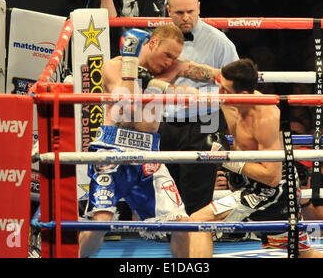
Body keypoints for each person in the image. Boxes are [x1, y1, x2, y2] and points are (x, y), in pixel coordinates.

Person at [78, 24, 222, 258]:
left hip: (148, 155)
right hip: (112, 151)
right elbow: (125, 101)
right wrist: (131, 62)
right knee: (100, 223)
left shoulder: (167, 70)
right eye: (167, 55)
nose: (169, 62)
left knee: (182, 224)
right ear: (152, 42)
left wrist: (230, 78)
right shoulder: (114, 65)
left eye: (174, 57)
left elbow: (200, 71)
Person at [188, 58, 323, 258]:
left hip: (273, 190)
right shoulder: (232, 91)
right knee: (303, 254)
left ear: (244, 95)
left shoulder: (265, 117)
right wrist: (168, 74)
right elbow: (201, 73)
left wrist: (226, 159)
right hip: (252, 184)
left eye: (225, 91)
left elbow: (271, 177)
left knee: (199, 221)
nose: (219, 94)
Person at [158, 0, 239, 217]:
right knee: (167, 185)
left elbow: (234, 89)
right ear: (168, 10)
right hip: (165, 119)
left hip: (206, 119)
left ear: (199, 8)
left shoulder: (219, 42)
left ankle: (197, 236)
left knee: (199, 188)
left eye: (191, 12)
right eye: (180, 12)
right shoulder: (155, 40)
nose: (186, 18)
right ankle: (173, 236)